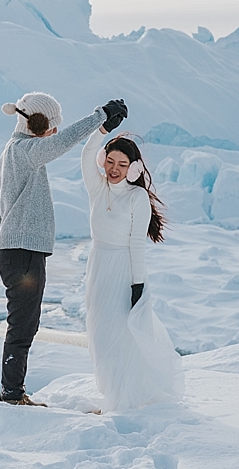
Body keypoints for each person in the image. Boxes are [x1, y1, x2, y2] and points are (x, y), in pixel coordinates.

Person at [0, 92, 128, 406]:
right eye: (51, 126)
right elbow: (60, 143)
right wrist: (99, 117)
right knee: (23, 326)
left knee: (23, 323)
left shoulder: (9, 153)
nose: (54, 131)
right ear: (37, 123)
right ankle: (12, 395)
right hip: (23, 252)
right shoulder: (25, 151)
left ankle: (13, 392)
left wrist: (9, 241)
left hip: (16, 251)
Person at [79, 118, 185, 412]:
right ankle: (112, 392)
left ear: (134, 168)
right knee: (99, 335)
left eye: (122, 164)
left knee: (121, 336)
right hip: (98, 267)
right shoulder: (97, 188)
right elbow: (86, 154)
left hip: (124, 271)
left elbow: (137, 243)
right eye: (110, 161)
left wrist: (137, 284)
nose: (114, 168)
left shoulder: (137, 197)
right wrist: (102, 129)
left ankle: (124, 399)